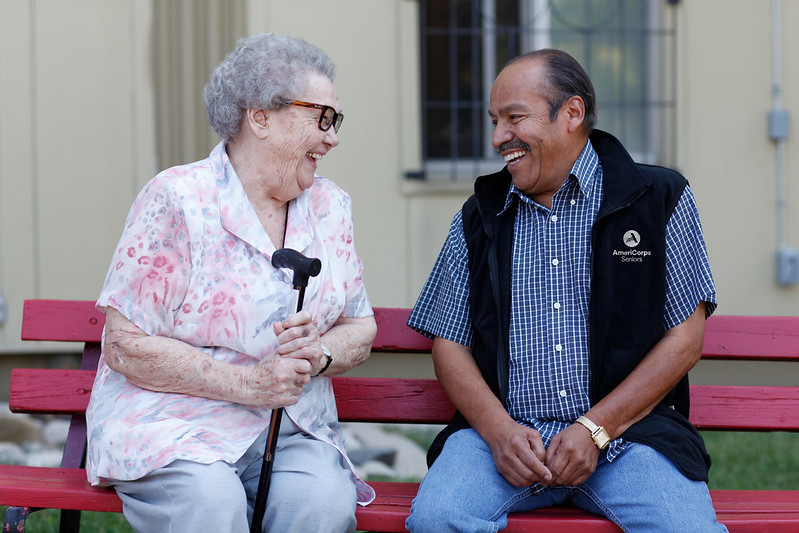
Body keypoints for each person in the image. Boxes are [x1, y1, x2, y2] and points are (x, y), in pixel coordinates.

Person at [405, 49, 727, 532]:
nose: (498, 138)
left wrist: (594, 430)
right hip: (506, 443)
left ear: (572, 114)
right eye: (495, 121)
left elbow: (685, 340)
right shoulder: (480, 215)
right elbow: (449, 344)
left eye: (515, 118)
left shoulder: (658, 198)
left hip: (630, 439)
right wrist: (498, 433)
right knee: (437, 518)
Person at [85, 33, 377, 533]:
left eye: (336, 121)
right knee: (210, 504)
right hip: (174, 422)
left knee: (324, 504)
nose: (333, 138)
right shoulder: (177, 198)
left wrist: (320, 353)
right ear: (259, 117)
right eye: (321, 117)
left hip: (290, 430)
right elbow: (125, 346)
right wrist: (246, 384)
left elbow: (361, 325)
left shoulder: (333, 207)